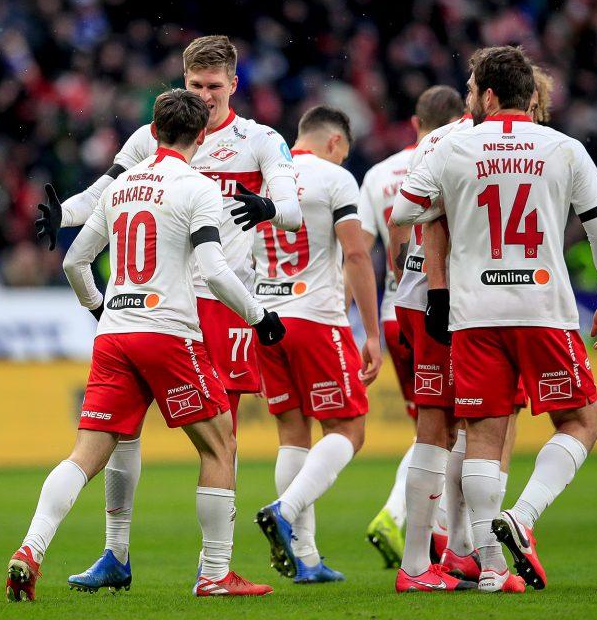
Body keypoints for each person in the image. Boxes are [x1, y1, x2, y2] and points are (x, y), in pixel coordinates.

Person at [35, 34, 301, 592]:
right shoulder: (150, 136)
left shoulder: (261, 140)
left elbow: (293, 212)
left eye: (214, 86)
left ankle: (212, 564)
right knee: (124, 433)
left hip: (223, 301)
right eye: (195, 85)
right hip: (163, 303)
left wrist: (268, 208)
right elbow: (104, 194)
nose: (204, 95)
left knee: (221, 434)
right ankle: (116, 554)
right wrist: (63, 215)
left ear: (234, 84)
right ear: (184, 82)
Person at [393, 46, 597, 593]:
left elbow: (403, 212)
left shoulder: (452, 146)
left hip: (474, 313)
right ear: (531, 95)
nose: (468, 97)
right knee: (582, 422)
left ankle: (491, 566)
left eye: (472, 89)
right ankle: (522, 516)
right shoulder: (564, 147)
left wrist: (449, 206)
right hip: (542, 308)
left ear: (488, 96)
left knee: (482, 435)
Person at [250, 105, 382, 584]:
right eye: (343, 152)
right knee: (349, 429)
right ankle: (285, 511)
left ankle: (305, 558)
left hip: (265, 320)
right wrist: (371, 334)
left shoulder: (262, 178)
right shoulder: (335, 179)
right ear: (334, 142)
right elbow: (356, 254)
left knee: (292, 433)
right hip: (315, 319)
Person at [356, 86, 465, 569]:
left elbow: (359, 253)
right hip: (445, 305)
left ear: (415, 124)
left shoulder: (380, 173)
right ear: (461, 118)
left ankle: (428, 534)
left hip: (396, 310)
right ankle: (431, 530)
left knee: (427, 425)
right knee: (452, 428)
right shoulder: (463, 154)